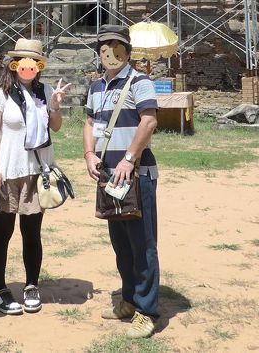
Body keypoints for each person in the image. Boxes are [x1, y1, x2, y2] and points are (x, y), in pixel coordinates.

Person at [83, 24, 159, 340]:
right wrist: (89, 154)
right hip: (108, 176)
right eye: (104, 48)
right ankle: (128, 299)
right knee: (121, 245)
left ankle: (146, 311)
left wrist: (129, 158)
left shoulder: (140, 81)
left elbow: (149, 121)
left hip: (135, 173)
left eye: (116, 47)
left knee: (142, 244)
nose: (110, 53)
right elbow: (90, 122)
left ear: (127, 52)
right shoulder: (96, 87)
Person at [0, 38, 70, 316]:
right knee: (2, 233)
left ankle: (31, 285)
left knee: (32, 233)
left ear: (38, 66)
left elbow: (55, 127)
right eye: (23, 61)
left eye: (33, 62)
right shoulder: (0, 95)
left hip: (36, 172)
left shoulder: (45, 91)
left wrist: (55, 105)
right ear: (14, 64)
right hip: (9, 172)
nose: (28, 66)